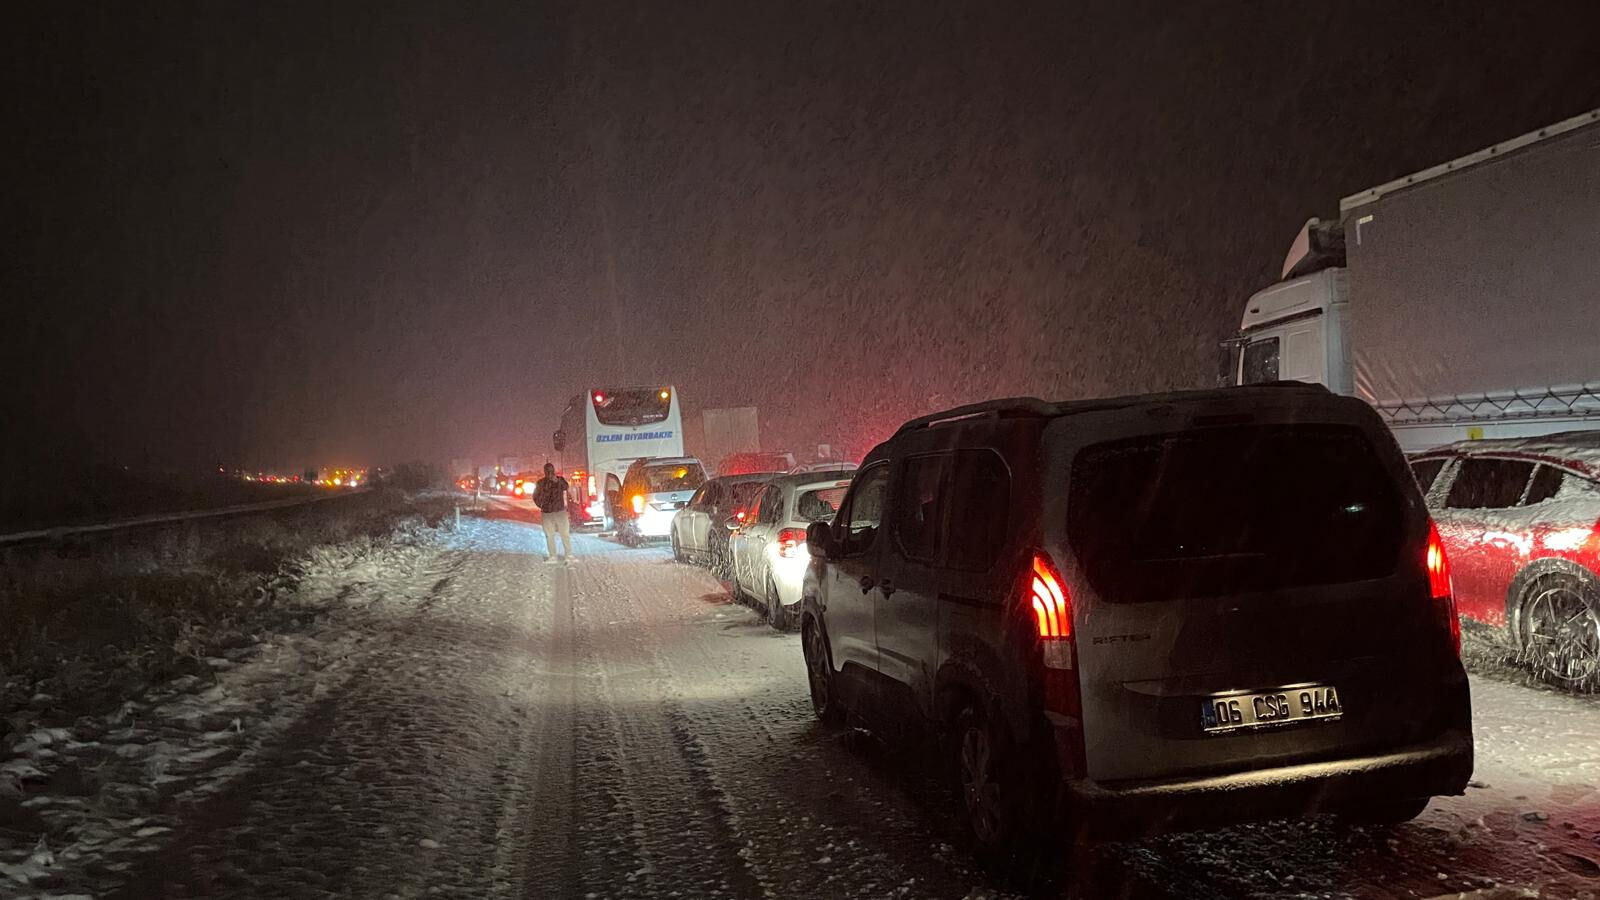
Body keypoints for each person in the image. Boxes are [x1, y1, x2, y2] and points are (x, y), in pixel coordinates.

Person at [533, 463, 574, 563]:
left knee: (564, 533)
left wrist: (558, 481)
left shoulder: (559, 480)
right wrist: (541, 505)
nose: (550, 473)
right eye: (548, 471)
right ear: (545, 472)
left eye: (551, 470)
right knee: (550, 534)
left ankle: (568, 554)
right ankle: (553, 556)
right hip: (548, 513)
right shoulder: (541, 483)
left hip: (559, 511)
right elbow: (535, 496)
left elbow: (566, 486)